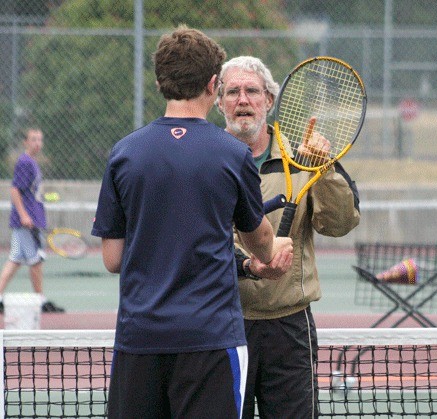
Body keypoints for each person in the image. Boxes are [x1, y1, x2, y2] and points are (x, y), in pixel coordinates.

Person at [91, 27, 292, 419]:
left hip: (139, 340)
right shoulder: (232, 154)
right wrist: (273, 249)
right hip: (211, 342)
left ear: (159, 82)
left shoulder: (124, 154)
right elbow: (260, 243)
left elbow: (112, 258)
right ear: (214, 85)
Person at [216, 56, 361, 419]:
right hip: (222, 326)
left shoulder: (305, 157)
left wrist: (323, 169)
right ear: (218, 102)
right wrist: (250, 264)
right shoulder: (204, 160)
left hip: (289, 328)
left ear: (269, 99)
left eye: (252, 91)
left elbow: (340, 223)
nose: (242, 100)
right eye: (232, 92)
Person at [0, 127, 65, 314]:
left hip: (33, 219)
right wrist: (24, 215)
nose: (37, 143)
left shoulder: (33, 164)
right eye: (33, 139)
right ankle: (40, 300)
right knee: (35, 260)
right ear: (25, 142)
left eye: (40, 139)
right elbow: (14, 190)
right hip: (26, 222)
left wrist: (44, 197)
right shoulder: (24, 162)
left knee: (15, 260)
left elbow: (31, 192)